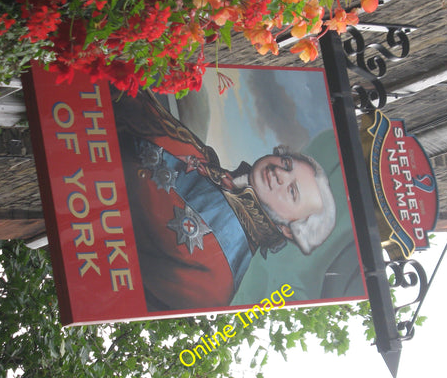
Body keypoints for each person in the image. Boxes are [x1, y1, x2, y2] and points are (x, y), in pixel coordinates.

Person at [112, 88, 336, 311]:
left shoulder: (218, 276)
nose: (280, 174)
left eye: (292, 192)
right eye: (287, 164)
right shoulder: (209, 164)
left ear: (288, 230)